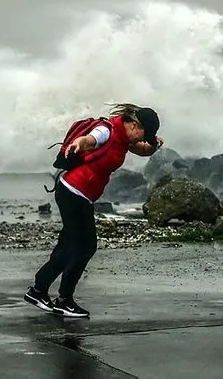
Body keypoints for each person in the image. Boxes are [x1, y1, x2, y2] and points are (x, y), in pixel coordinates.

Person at [24, 103, 163, 318]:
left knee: (69, 245)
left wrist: (155, 145)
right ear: (135, 125)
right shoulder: (107, 131)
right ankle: (64, 300)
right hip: (73, 193)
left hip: (80, 195)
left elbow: (144, 151)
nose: (143, 139)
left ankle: (38, 290)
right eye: (146, 134)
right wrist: (80, 144)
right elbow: (90, 139)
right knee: (85, 247)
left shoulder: (125, 139)